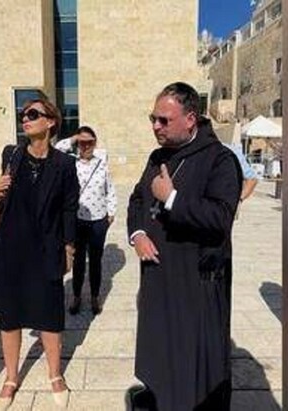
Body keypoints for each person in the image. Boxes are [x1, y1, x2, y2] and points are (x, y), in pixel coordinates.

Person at [127, 82, 242, 410]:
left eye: (164, 120)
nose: (155, 126)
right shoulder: (157, 156)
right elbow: (138, 199)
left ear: (191, 119)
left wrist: (172, 199)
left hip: (195, 282)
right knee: (159, 354)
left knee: (193, 366)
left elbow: (220, 218)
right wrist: (138, 234)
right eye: (153, 118)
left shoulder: (220, 159)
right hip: (157, 277)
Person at [0, 97, 79, 409]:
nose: (25, 119)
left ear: (50, 121)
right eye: (23, 115)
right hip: (10, 248)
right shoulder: (11, 155)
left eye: (32, 114)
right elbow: (0, 195)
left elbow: (69, 209)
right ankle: (11, 377)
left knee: (49, 314)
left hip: (47, 247)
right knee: (9, 314)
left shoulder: (65, 164)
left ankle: (55, 374)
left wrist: (69, 248)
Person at [55, 126, 117, 315]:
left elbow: (110, 190)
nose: (86, 146)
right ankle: (76, 296)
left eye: (90, 142)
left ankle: (95, 297)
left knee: (96, 261)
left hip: (98, 220)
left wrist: (111, 213)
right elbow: (57, 149)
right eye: (82, 143)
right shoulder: (71, 162)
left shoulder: (102, 164)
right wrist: (75, 138)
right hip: (78, 220)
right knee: (79, 261)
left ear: (95, 143)